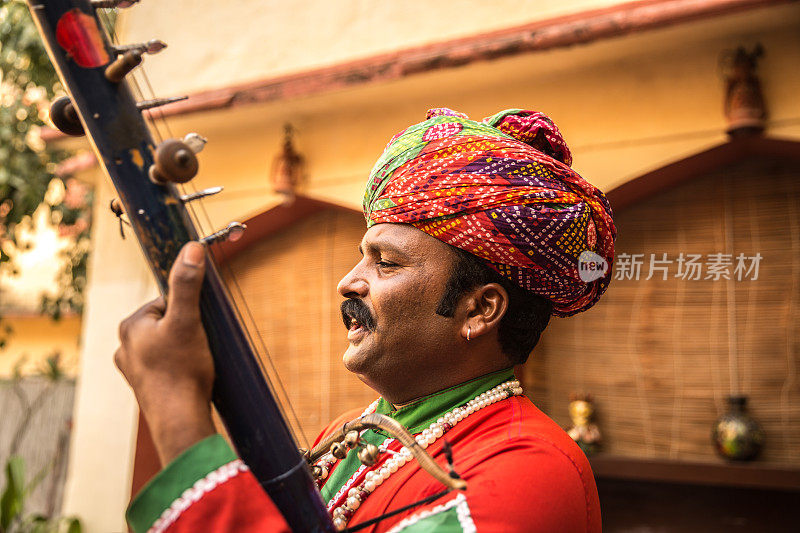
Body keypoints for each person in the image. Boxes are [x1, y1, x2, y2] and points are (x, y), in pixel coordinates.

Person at [116, 108, 616, 532]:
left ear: (480, 310)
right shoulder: (352, 435)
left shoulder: (531, 470)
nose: (348, 282)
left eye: (387, 262)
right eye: (362, 256)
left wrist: (176, 414)